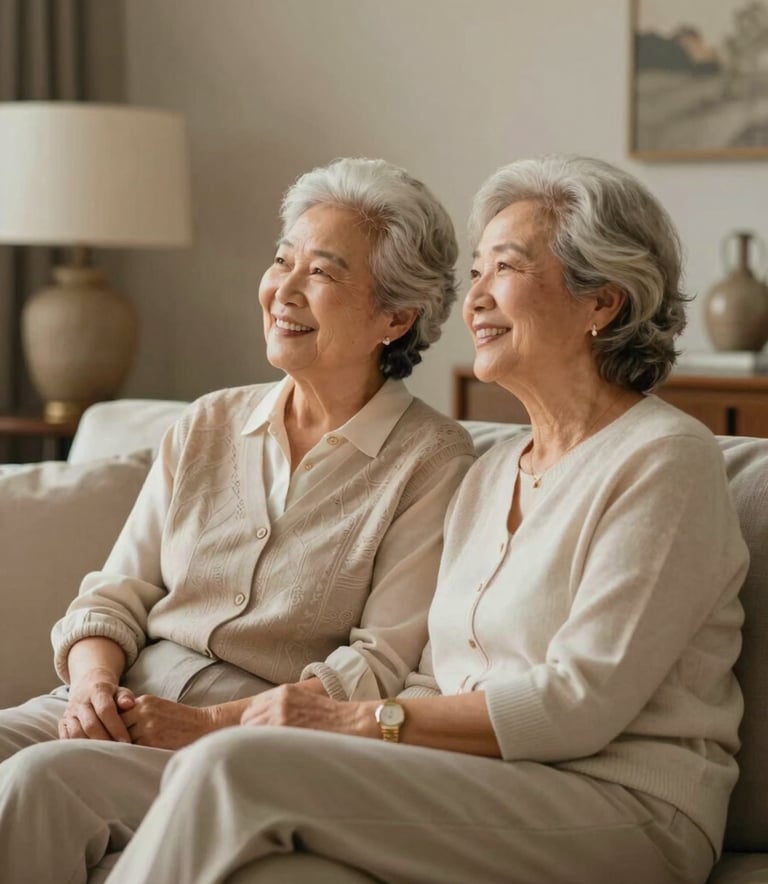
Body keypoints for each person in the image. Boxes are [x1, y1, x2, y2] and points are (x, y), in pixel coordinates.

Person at [105, 155, 748, 884]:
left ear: (602, 301)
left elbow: (581, 704)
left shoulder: (664, 462)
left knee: (234, 768)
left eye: (503, 269)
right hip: (486, 784)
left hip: (626, 801)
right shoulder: (492, 471)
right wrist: (353, 735)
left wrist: (353, 723)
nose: (474, 300)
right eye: (473, 273)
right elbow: (434, 677)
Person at [0, 157, 476, 882]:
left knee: (43, 782)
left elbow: (377, 666)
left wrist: (207, 727)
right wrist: (94, 688)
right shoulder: (210, 421)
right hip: (114, 693)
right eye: (281, 260)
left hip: (248, 745)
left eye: (321, 272)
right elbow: (115, 593)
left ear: (397, 316)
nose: (283, 289)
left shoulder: (432, 461)